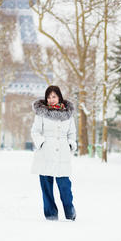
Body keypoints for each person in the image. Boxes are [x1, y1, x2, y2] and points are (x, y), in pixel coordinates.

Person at [31, 85, 77, 221]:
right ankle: (50, 214)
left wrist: (71, 144)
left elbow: (72, 133)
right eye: (49, 97)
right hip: (45, 154)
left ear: (59, 97)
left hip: (62, 155)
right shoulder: (41, 114)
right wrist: (41, 142)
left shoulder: (68, 115)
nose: (51, 100)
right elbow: (35, 131)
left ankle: (70, 211)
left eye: (54, 97)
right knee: (46, 186)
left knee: (65, 186)